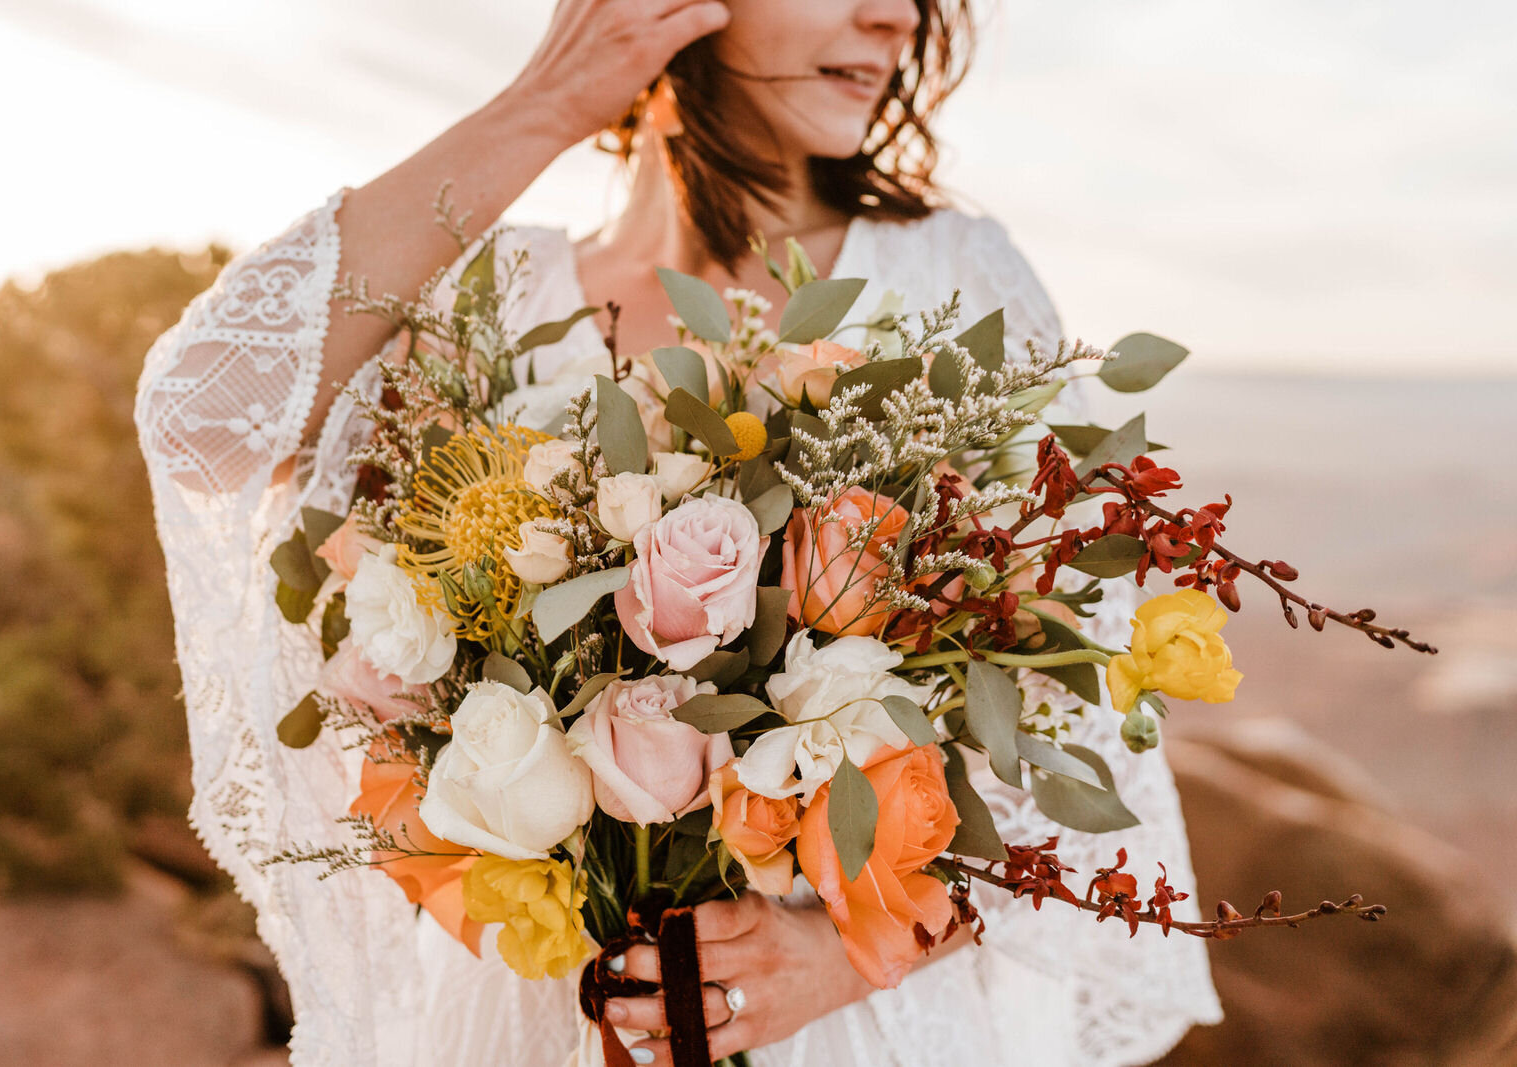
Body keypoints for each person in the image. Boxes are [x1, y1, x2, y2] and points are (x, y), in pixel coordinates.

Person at [134, 1, 1223, 1063]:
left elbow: (1075, 734)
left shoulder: (946, 271)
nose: (896, 17)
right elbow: (203, 418)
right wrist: (545, 101)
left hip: (856, 1029)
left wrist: (847, 954)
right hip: (539, 1020)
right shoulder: (492, 293)